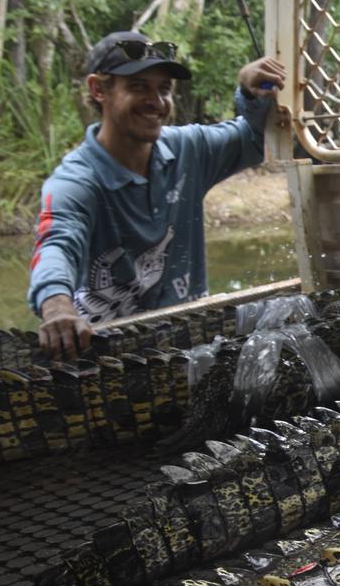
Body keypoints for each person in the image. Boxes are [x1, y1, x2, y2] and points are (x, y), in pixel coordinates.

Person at [28, 31, 286, 360]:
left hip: (192, 350)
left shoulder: (189, 149)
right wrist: (56, 308)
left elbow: (256, 136)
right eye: (138, 87)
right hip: (109, 360)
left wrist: (252, 91)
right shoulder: (76, 181)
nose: (156, 101)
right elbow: (56, 245)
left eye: (163, 89)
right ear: (98, 90)